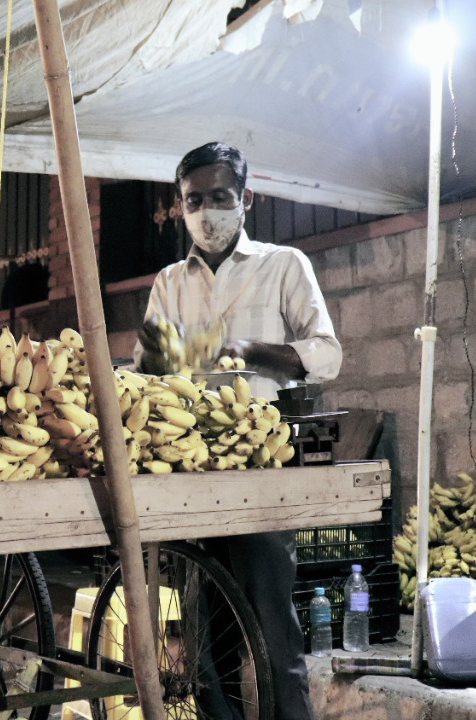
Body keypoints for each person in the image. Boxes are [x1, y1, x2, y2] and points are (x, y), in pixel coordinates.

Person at [135, 142, 341, 720]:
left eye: (219, 197)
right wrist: (161, 361)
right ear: (180, 207)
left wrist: (249, 352)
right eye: (193, 200)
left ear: (246, 199)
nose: (205, 211)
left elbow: (327, 354)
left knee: (273, 634)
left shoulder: (284, 265)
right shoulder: (170, 282)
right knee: (203, 640)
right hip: (188, 465)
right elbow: (148, 367)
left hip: (262, 463)